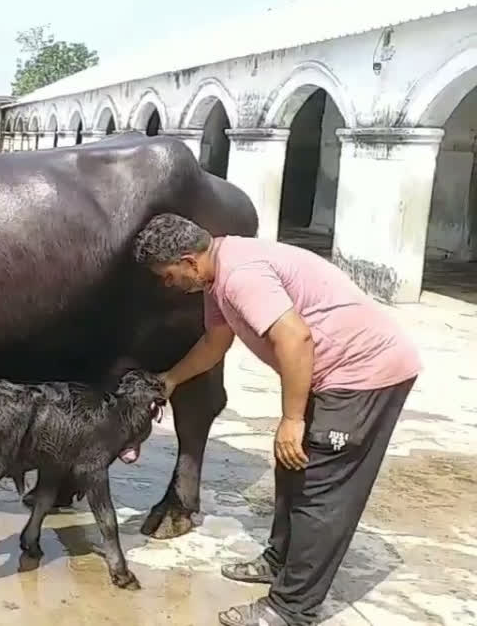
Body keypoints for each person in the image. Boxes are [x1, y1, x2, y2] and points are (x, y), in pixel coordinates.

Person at [131, 213, 421, 626]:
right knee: (292, 465)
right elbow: (216, 342)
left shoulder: (241, 275)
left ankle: (290, 609)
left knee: (322, 488)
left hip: (364, 374)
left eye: (167, 274)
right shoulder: (217, 276)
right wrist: (171, 379)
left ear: (189, 261)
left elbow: (294, 337)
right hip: (331, 372)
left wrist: (291, 418)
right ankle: (278, 559)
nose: (167, 284)